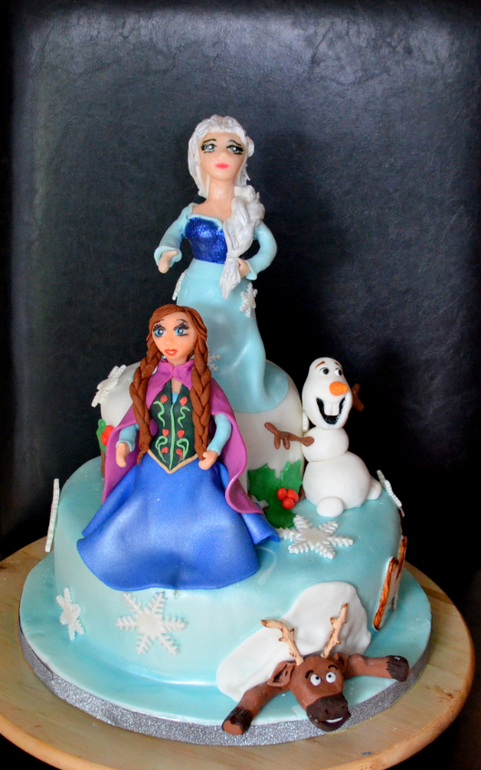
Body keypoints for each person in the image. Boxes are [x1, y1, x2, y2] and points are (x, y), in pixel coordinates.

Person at [77, 305, 278, 591]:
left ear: (198, 336)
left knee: (210, 506)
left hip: (196, 462)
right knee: (141, 504)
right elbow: (135, 421)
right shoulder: (150, 383)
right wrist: (124, 442)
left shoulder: (205, 384)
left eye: (181, 330)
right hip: (154, 462)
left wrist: (214, 449)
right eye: (160, 331)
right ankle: (129, 555)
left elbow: (224, 423)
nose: (169, 340)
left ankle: (216, 558)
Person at [154, 115, 288, 413]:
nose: (223, 155)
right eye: (210, 147)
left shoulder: (247, 213)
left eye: (234, 148)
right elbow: (172, 235)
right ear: (197, 156)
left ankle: (240, 393)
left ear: (243, 157)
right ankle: (192, 393)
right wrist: (167, 252)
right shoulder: (192, 211)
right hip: (196, 289)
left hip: (233, 289)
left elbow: (268, 246)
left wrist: (249, 266)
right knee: (195, 336)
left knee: (239, 339)